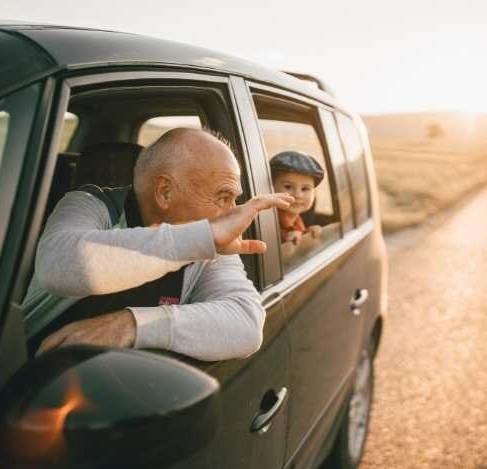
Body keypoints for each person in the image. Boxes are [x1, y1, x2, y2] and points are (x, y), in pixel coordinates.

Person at [27, 128, 293, 361]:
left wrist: (131, 325)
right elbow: (57, 266)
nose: (233, 215)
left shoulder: (213, 245)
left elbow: (246, 323)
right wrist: (202, 236)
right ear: (165, 192)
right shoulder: (91, 206)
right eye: (224, 197)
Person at [270, 150, 325, 245]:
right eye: (288, 187)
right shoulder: (267, 222)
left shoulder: (297, 220)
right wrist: (286, 242)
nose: (298, 195)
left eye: (305, 188)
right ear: (271, 188)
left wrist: (306, 234)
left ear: (314, 194)